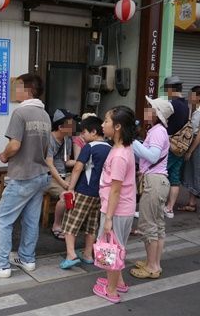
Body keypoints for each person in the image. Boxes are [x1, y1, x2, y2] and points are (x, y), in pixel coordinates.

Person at [0, 73, 51, 278]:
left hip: (23, 175)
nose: (14, 91)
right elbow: (46, 149)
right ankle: (27, 259)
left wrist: (4, 154)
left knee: (2, 218)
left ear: (27, 90)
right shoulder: (45, 115)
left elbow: (15, 144)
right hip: (40, 174)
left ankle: (0, 264)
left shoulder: (20, 113)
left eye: (17, 87)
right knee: (30, 219)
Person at [92, 106, 136, 304]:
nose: (102, 125)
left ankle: (111, 290)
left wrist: (108, 217)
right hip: (120, 208)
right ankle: (119, 282)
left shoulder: (119, 155)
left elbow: (116, 190)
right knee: (117, 247)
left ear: (117, 126)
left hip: (116, 210)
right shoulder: (123, 149)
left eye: (106, 121)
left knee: (111, 250)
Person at [59, 116, 111, 269]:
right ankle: (88, 254)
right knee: (91, 225)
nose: (82, 135)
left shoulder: (89, 147)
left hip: (83, 190)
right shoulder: (110, 148)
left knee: (70, 223)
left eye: (85, 132)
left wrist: (70, 189)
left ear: (94, 132)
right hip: (100, 193)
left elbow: (77, 168)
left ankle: (71, 254)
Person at [129, 97, 173, 280]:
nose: (147, 110)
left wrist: (131, 141)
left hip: (154, 182)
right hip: (159, 181)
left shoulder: (157, 132)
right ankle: (154, 263)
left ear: (156, 114)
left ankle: (152, 266)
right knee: (158, 226)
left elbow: (153, 156)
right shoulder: (158, 131)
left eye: (150, 108)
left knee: (149, 226)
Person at [46, 109, 77, 240]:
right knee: (66, 196)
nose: (74, 126)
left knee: (79, 192)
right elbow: (49, 165)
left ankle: (70, 224)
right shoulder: (49, 139)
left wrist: (82, 162)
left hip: (65, 174)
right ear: (60, 127)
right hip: (49, 176)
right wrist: (64, 183)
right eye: (70, 124)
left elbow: (67, 161)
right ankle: (57, 225)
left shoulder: (68, 140)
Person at [163, 76, 190, 218]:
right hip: (181, 146)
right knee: (174, 178)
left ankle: (156, 206)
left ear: (171, 89)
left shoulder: (171, 104)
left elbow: (164, 122)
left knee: (159, 175)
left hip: (169, 145)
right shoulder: (186, 105)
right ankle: (169, 208)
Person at [181, 85, 200, 212]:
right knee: (193, 171)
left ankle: (192, 203)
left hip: (196, 146)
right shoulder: (195, 111)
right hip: (195, 145)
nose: (189, 97)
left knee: (195, 171)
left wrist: (190, 150)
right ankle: (191, 201)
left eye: (192, 95)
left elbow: (198, 135)